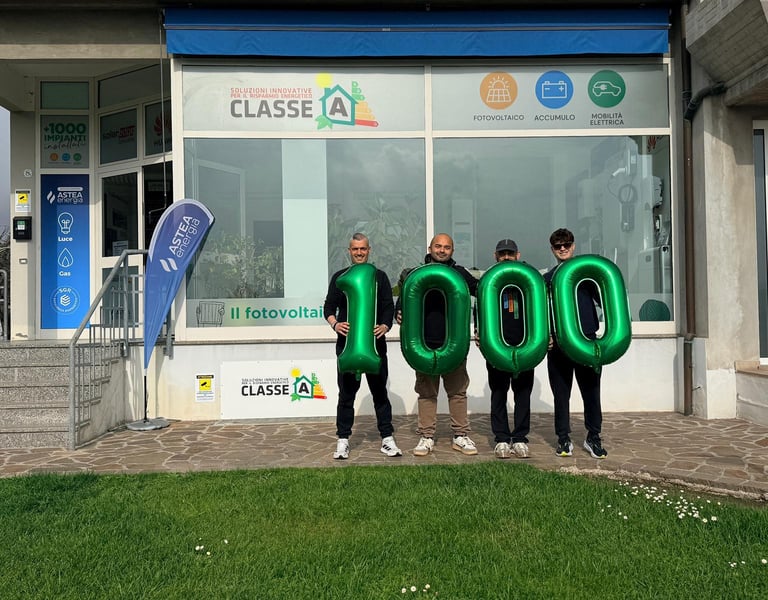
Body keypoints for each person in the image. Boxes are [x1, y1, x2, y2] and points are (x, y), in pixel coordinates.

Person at [396, 233, 479, 456]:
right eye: (438, 246)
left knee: (458, 391)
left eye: (447, 247)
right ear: (430, 248)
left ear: (452, 250)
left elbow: (482, 291)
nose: (442, 250)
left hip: (454, 344)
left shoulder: (460, 274)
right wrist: (399, 312)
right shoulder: (415, 274)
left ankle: (460, 435)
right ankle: (426, 436)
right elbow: (402, 302)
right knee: (426, 393)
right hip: (424, 343)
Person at [323, 233, 401, 460]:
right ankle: (343, 440)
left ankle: (387, 438)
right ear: (349, 251)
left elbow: (387, 306)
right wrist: (335, 324)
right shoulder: (340, 277)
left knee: (380, 393)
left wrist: (385, 325)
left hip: (375, 347)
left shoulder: (379, 277)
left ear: (369, 250)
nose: (359, 252)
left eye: (363, 249)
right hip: (347, 345)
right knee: (346, 395)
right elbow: (329, 306)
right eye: (355, 249)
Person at [544, 228, 607, 459]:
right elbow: (542, 312)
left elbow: (605, 300)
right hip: (559, 345)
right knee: (561, 395)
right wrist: (546, 336)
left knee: (592, 392)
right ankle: (563, 439)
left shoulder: (587, 275)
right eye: (558, 246)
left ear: (573, 246)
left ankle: (594, 437)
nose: (562, 249)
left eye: (566, 245)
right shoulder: (547, 279)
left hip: (587, 342)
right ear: (552, 249)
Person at [482, 239, 534, 459]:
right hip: (497, 348)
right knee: (498, 393)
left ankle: (520, 438)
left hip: (525, 347)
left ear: (517, 255)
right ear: (495, 256)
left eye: (509, 254)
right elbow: (479, 310)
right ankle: (502, 438)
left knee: (523, 394)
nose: (506, 257)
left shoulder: (528, 282)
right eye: (502, 254)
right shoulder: (489, 282)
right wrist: (479, 332)